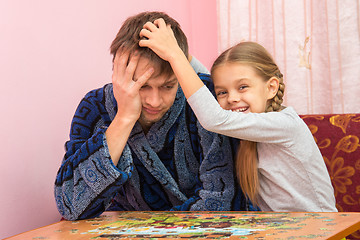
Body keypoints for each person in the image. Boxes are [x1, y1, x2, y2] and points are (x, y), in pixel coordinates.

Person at [54, 11, 247, 221]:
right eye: (142, 86)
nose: (155, 101)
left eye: (168, 86)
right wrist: (124, 117)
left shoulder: (205, 97)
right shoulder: (95, 107)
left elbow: (223, 200)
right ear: (118, 72)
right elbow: (71, 205)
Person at [139, 18, 337, 212]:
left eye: (243, 87)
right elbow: (205, 86)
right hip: (279, 230)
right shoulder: (246, 123)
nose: (232, 98)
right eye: (222, 92)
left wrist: (175, 55)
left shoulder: (285, 125)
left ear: (271, 88)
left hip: (320, 230)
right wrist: (180, 51)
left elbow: (213, 118)